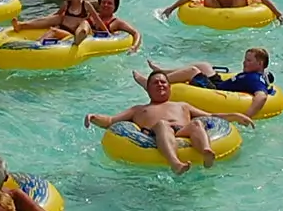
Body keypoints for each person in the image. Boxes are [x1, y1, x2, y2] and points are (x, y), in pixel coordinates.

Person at [85, 70, 251, 175]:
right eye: (155, 83)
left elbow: (211, 116)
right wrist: (93, 117)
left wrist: (235, 115)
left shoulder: (182, 105)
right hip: (155, 133)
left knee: (197, 124)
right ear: (148, 89)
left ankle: (206, 151)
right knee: (163, 124)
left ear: (170, 88)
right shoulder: (139, 109)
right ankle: (175, 163)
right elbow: (111, 121)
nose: (160, 85)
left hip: (181, 131)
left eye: (163, 82)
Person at [146, 47, 276, 119]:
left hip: (216, 90)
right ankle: (163, 71)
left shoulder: (255, 79)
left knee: (192, 71)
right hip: (220, 83)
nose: (244, 62)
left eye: (248, 60)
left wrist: (247, 116)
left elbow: (262, 96)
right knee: (204, 65)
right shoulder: (255, 74)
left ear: (260, 64)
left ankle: (153, 83)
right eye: (245, 59)